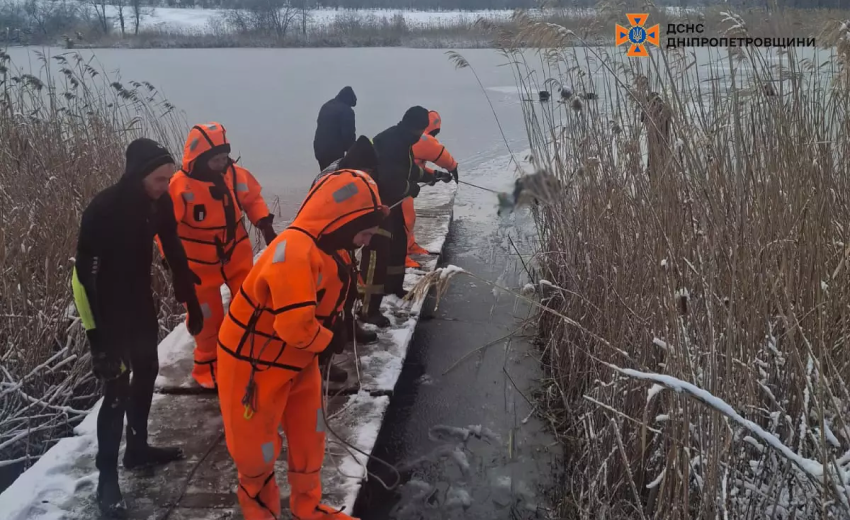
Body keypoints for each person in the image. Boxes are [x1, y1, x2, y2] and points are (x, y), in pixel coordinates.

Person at [216, 163, 387, 520]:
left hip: (298, 362)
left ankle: (308, 506)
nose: (368, 240)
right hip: (254, 367)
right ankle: (260, 513)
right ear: (344, 222)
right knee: (256, 451)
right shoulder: (293, 252)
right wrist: (328, 339)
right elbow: (295, 327)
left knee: (311, 435)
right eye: (366, 232)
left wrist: (334, 330)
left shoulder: (332, 250)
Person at [72, 138, 205, 518]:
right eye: (160, 179)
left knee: (147, 369)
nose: (167, 186)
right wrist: (97, 340)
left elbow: (174, 248)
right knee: (116, 389)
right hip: (106, 307)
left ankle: (138, 449)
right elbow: (82, 279)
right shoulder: (104, 209)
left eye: (168, 178)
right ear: (138, 175)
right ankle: (106, 480)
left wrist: (191, 302)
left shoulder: (160, 203)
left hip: (139, 301)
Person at [163, 122, 277, 389]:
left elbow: (252, 199)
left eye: (224, 157)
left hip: (236, 253)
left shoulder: (234, 175)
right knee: (206, 316)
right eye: (215, 159)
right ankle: (208, 367)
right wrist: (171, 262)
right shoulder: (179, 187)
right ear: (199, 159)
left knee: (252, 303)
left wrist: (265, 224)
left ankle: (249, 356)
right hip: (198, 264)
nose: (221, 162)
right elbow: (164, 229)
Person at [359, 106, 432, 328]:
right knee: (377, 253)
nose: (420, 135)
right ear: (415, 128)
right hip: (375, 203)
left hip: (390, 200)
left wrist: (431, 176)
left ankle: (393, 286)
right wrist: (412, 188)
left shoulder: (403, 141)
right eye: (420, 131)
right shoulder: (393, 143)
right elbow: (392, 181)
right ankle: (367, 309)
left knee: (399, 240)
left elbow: (406, 170)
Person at [406, 109, 457, 268]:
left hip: (403, 181)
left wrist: (435, 174)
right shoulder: (423, 138)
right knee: (404, 219)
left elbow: (415, 165)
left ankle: (409, 245)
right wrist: (453, 169)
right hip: (396, 183)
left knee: (408, 217)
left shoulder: (413, 136)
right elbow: (443, 156)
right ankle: (400, 255)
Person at [313, 86, 357, 170]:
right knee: (335, 175)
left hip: (319, 149)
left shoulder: (326, 106)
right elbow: (348, 135)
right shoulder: (347, 111)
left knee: (325, 175)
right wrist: (353, 151)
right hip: (334, 152)